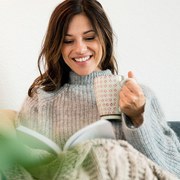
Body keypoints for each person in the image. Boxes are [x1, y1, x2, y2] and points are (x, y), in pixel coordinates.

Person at [1, 0, 179, 179]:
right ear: (58, 46)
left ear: (104, 37)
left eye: (89, 37)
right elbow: (18, 164)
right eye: (68, 41)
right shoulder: (40, 100)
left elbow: (172, 169)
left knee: (108, 153)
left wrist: (138, 117)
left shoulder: (138, 96)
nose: (80, 49)